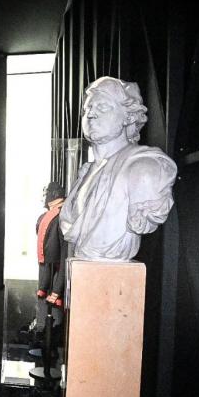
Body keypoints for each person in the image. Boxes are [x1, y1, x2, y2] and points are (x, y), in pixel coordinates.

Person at [59, 76, 177, 261]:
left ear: (128, 116)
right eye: (87, 108)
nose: (90, 114)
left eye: (102, 107)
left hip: (112, 265)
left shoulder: (143, 169)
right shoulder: (86, 173)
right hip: (85, 267)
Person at [35, 181, 67, 339]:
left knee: (54, 304)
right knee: (43, 298)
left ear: (54, 194)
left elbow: (64, 252)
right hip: (47, 264)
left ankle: (52, 333)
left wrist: (57, 288)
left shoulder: (62, 217)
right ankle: (42, 330)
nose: (44, 197)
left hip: (57, 266)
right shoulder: (46, 216)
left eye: (46, 193)